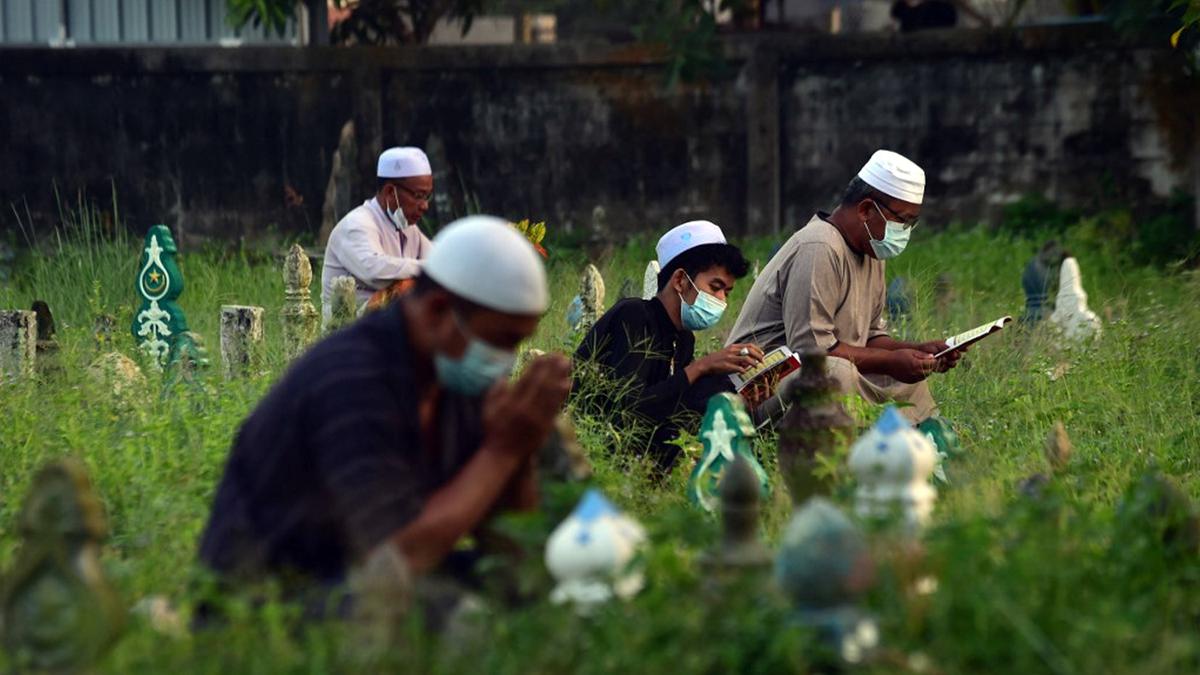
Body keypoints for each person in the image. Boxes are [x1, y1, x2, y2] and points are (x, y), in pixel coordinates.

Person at [199, 216, 571, 615]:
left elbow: (511, 548)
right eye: (502, 341)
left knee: (552, 584)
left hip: (369, 573)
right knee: (461, 616)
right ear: (437, 312)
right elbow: (395, 560)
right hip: (272, 599)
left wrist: (520, 453)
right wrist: (501, 449)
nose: (505, 361)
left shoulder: (455, 379)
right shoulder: (352, 378)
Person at [726, 150, 964, 427]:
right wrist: (891, 361)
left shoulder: (872, 249)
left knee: (905, 380)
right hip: (761, 385)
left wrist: (918, 352)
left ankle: (926, 444)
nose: (906, 231)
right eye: (902, 220)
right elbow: (810, 352)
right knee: (835, 373)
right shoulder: (819, 246)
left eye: (912, 223)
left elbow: (872, 338)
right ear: (865, 210)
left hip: (828, 366)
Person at [573, 220, 762, 473]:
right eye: (715, 288)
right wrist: (701, 366)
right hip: (596, 449)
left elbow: (679, 402)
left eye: (727, 292)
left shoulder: (683, 338)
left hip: (646, 454)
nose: (721, 300)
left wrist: (742, 397)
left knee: (721, 388)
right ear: (680, 280)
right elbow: (627, 413)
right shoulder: (634, 316)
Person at [320, 146, 434, 326]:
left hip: (384, 323)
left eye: (427, 196)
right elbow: (374, 270)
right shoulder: (357, 224)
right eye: (418, 196)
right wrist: (431, 269)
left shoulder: (408, 227)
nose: (424, 206)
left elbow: (439, 259)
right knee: (409, 287)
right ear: (390, 192)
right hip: (348, 329)